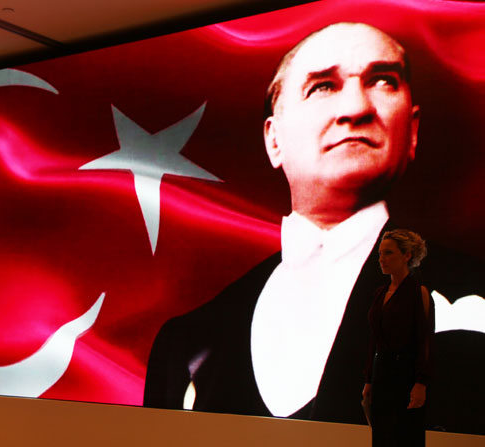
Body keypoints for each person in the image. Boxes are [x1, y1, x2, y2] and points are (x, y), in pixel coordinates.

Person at [144, 21, 485, 435]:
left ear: (412, 131)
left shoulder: (473, 291)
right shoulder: (188, 341)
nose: (356, 108)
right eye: (322, 86)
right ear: (274, 140)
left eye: (382, 81)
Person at [363, 230, 433, 446]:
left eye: (389, 253)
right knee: (382, 436)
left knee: (405, 435)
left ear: (407, 255)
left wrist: (421, 382)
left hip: (406, 374)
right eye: (380, 253)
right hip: (381, 373)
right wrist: (369, 379)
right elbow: (374, 339)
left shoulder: (418, 292)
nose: (382, 259)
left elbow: (424, 340)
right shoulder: (380, 293)